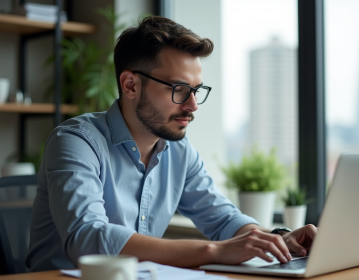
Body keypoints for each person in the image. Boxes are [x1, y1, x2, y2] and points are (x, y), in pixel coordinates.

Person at [26, 16, 317, 272]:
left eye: (196, 91)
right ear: (130, 85)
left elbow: (223, 218)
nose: (193, 105)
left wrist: (277, 239)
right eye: (179, 89)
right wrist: (213, 251)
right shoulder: (75, 142)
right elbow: (88, 240)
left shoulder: (178, 150)